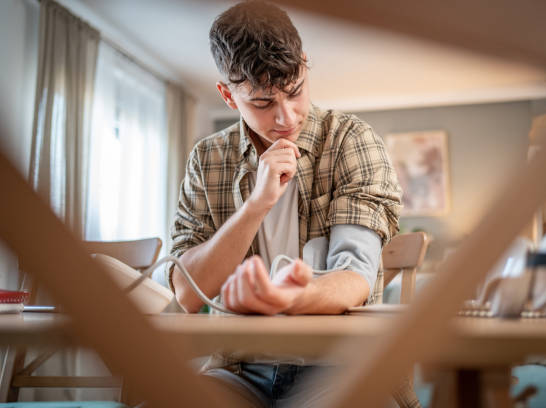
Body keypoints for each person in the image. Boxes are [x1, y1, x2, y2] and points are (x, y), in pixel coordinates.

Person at [166, 1, 406, 406]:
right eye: (262, 103)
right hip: (239, 368)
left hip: (338, 366)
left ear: (305, 65)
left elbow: (356, 278)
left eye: (295, 92)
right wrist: (256, 205)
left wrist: (287, 300)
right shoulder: (207, 159)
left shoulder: (351, 141)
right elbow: (188, 295)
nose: (286, 116)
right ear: (228, 95)